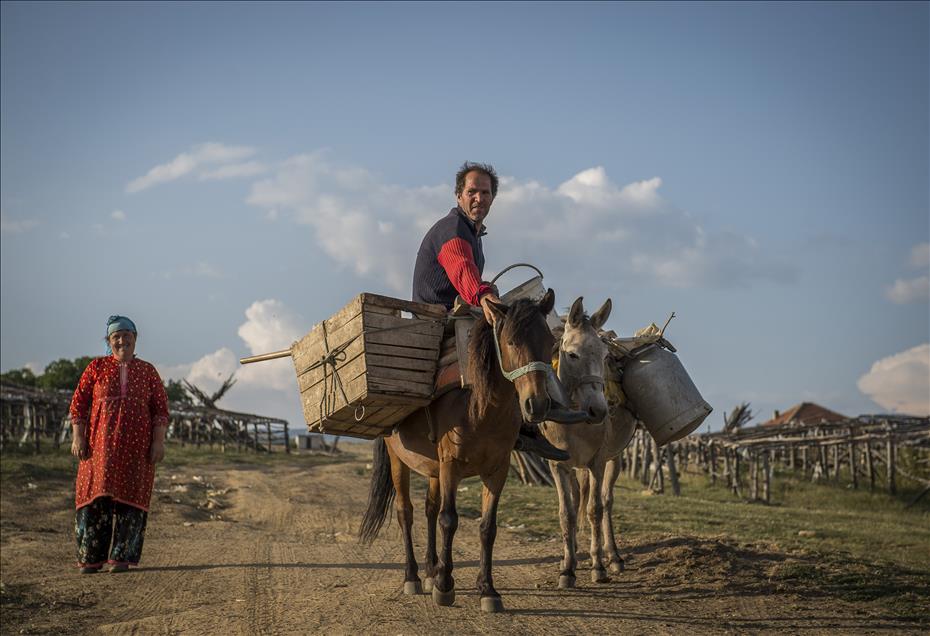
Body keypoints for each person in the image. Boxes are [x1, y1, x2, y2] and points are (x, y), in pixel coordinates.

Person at [413, 162, 569, 461]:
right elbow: (460, 267)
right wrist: (482, 295)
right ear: (459, 195)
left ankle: (528, 419)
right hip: (435, 317)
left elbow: (465, 273)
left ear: (492, 199)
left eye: (485, 193)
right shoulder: (453, 228)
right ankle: (526, 429)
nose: (479, 199)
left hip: (456, 313)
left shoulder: (473, 234)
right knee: (508, 348)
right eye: (472, 192)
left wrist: (487, 291)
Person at [69, 315, 169, 573]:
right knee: (96, 499)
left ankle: (121, 557)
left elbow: (160, 410)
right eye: (116, 337)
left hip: (137, 449)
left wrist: (158, 442)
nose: (122, 341)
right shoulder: (96, 368)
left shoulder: (148, 371)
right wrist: (78, 436)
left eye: (127, 336)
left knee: (130, 498)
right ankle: (91, 559)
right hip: (99, 448)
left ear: (135, 340)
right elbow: (78, 403)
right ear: (109, 341)